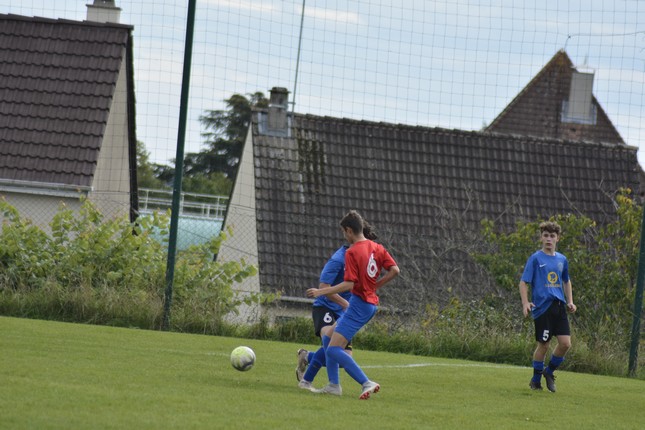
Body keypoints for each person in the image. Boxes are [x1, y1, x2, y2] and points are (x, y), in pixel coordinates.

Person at [305, 210, 400, 400]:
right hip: (368, 304)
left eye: (344, 232)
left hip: (358, 305)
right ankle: (333, 385)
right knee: (328, 338)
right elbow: (395, 270)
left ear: (349, 230)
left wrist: (320, 292)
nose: (344, 236)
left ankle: (366, 382)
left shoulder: (352, 252)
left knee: (334, 349)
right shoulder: (377, 247)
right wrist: (375, 286)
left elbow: (349, 284)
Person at [296, 221, 378, 385]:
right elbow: (323, 287)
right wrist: (345, 303)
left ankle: (307, 357)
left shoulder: (362, 259)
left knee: (342, 358)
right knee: (329, 342)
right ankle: (318, 383)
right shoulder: (338, 260)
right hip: (325, 306)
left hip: (345, 310)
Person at [519, 221, 577, 393]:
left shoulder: (562, 259)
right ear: (541, 238)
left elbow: (566, 280)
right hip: (542, 308)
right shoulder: (535, 258)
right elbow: (523, 282)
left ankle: (549, 372)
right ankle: (536, 381)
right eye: (546, 236)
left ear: (558, 238)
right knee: (543, 345)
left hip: (559, 307)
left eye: (552, 236)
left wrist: (570, 301)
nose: (549, 239)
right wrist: (525, 303)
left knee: (565, 344)